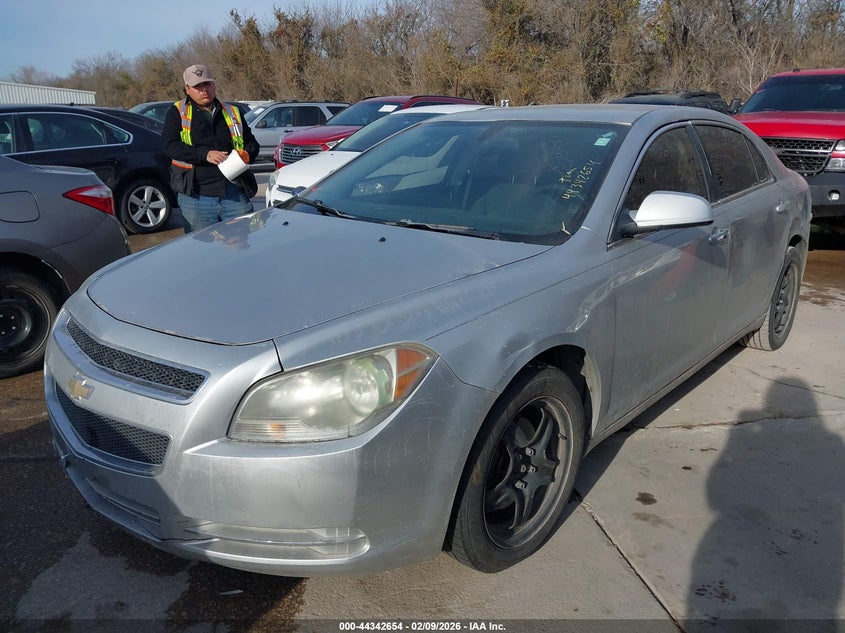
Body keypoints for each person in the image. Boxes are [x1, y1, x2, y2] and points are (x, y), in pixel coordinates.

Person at [163, 64, 260, 232]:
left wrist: (246, 154)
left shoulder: (232, 111)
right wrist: (204, 154)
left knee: (242, 245)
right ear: (187, 89)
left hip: (234, 192)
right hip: (196, 197)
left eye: (207, 84)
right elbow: (170, 146)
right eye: (197, 86)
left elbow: (252, 144)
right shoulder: (177, 112)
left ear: (214, 85)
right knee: (201, 252)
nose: (204, 90)